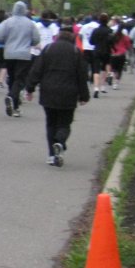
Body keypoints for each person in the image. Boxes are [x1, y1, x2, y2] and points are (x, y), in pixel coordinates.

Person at [25, 19, 90, 167]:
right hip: (68, 93)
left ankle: (51, 154)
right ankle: (60, 142)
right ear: (72, 36)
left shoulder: (48, 49)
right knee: (65, 123)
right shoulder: (75, 52)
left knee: (50, 123)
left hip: (48, 91)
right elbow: (82, 76)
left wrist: (30, 88)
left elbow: (37, 70)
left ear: (58, 35)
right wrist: (84, 96)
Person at [0, 1, 39, 118]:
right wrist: (28, 43)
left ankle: (15, 106)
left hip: (9, 53)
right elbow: (36, 39)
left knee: (12, 77)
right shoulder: (30, 24)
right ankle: (11, 97)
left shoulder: (6, 22)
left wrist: (6, 42)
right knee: (20, 79)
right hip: (24, 54)